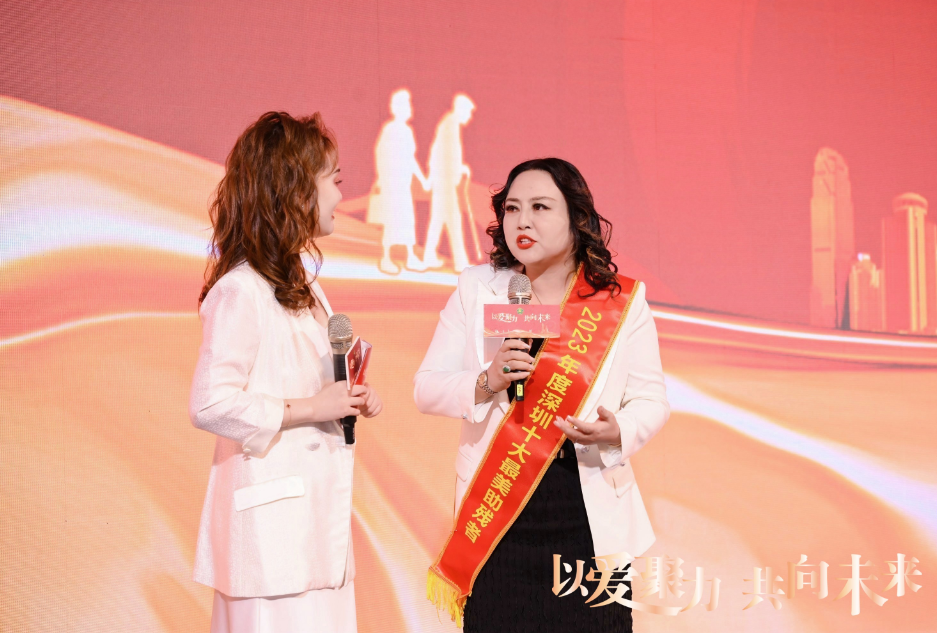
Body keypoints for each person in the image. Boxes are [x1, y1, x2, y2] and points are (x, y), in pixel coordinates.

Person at [415, 158, 669, 632]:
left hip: (589, 516)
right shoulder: (478, 289)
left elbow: (652, 400)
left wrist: (617, 430)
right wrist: (487, 381)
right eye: (512, 208)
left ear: (577, 219)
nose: (522, 222)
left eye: (540, 207)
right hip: (498, 516)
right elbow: (426, 387)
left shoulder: (620, 301)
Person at [189, 111, 383, 633]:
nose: (341, 195)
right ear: (295, 190)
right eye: (334, 180)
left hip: (318, 532)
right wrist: (312, 408)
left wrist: (350, 396)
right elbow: (209, 403)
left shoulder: (304, 282)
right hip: (271, 544)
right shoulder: (241, 289)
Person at [366, 89, 431, 274]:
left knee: (407, 220)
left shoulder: (408, 131)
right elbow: (380, 154)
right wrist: (382, 179)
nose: (410, 108)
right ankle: (386, 258)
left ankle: (410, 257)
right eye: (407, 104)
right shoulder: (390, 129)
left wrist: (423, 180)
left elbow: (410, 159)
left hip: (403, 185)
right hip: (391, 184)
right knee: (392, 221)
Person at [423, 94, 476, 272]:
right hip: (444, 182)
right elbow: (447, 154)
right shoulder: (450, 124)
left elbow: (438, 152)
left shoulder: (448, 123)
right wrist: (459, 169)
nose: (470, 116)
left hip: (442, 181)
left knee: (439, 220)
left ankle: (429, 256)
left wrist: (459, 168)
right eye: (469, 112)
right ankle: (460, 262)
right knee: (453, 221)